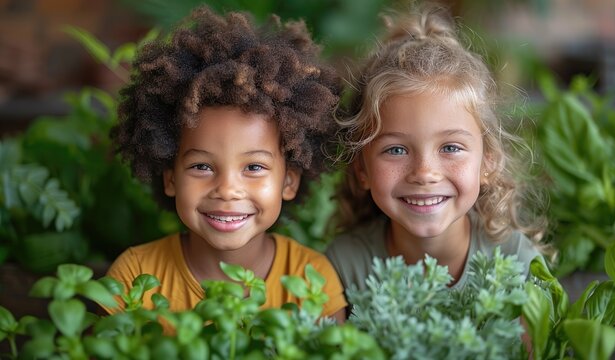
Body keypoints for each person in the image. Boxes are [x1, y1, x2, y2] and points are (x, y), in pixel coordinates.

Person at [104, 6, 347, 322]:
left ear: (289, 181)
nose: (228, 190)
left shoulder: (311, 278)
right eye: (202, 167)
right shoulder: (135, 276)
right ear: (170, 178)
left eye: (254, 167)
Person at [326, 2, 548, 297]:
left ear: (488, 163)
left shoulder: (517, 262)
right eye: (396, 150)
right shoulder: (343, 266)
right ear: (361, 170)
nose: (424, 173)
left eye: (451, 147)